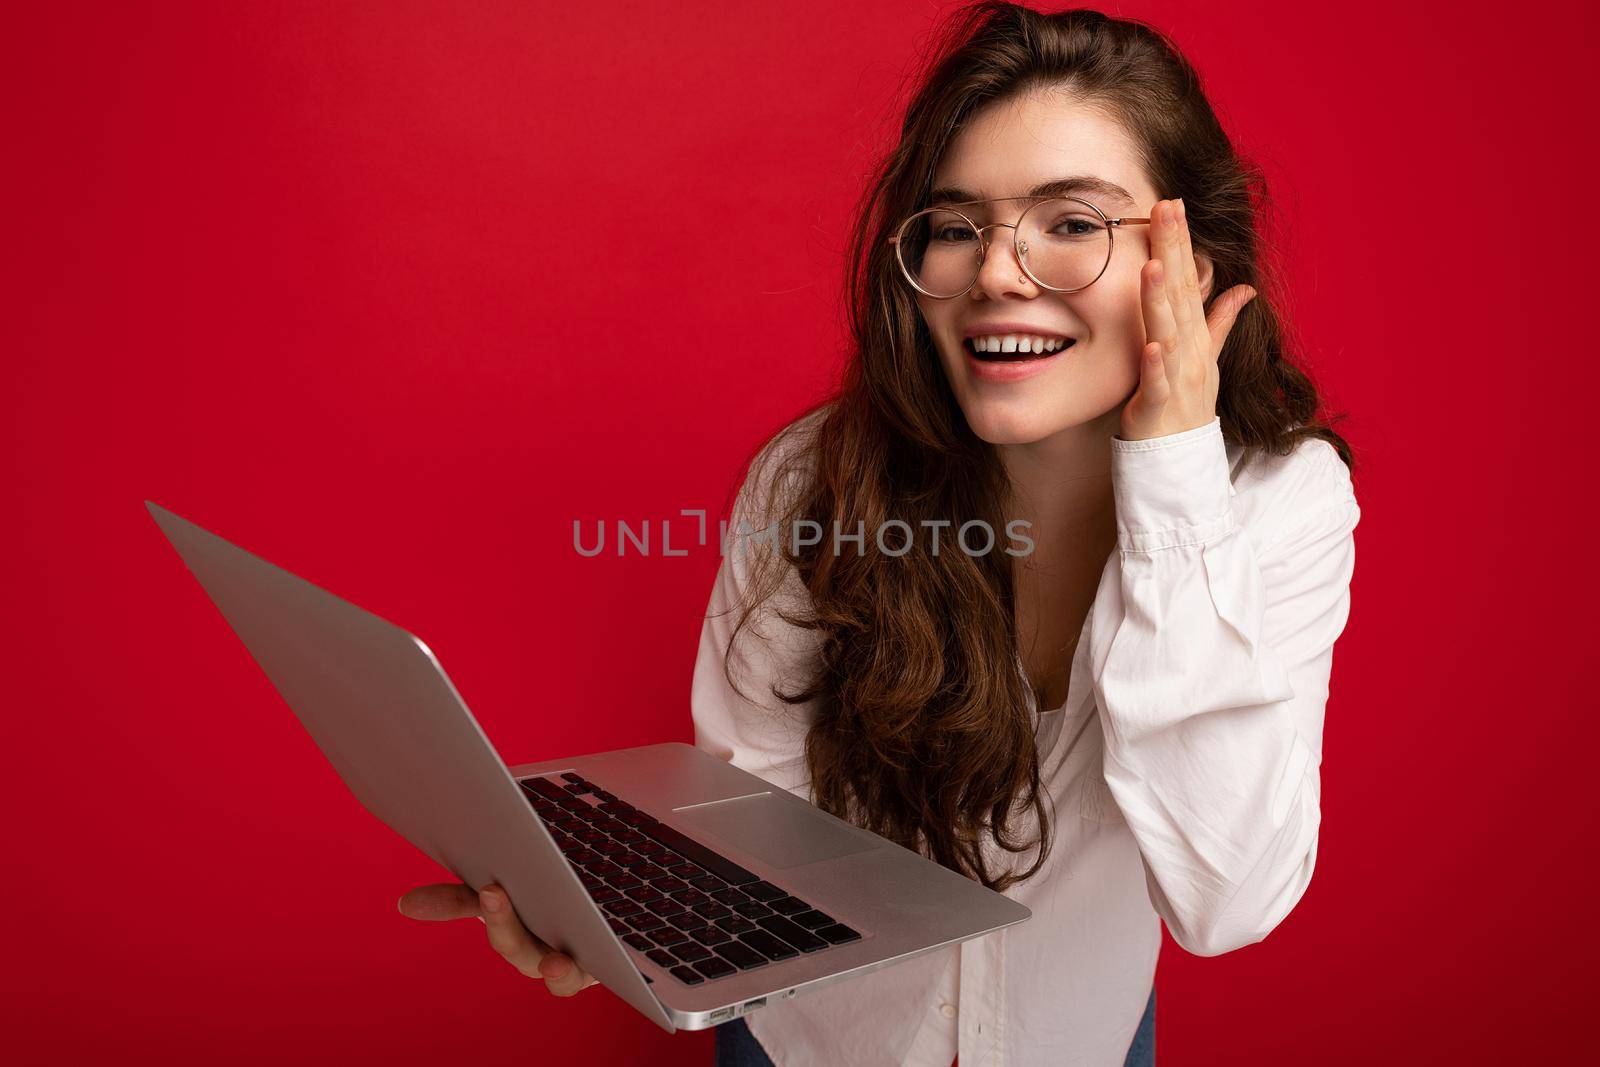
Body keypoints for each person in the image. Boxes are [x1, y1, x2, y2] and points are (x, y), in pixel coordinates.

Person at [397, 4, 1361, 1065]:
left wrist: (1171, 475)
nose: (998, 272)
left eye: (1072, 223)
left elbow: (1227, 901)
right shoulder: (812, 479)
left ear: (1193, 260)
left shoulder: (1277, 500)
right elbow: (753, 809)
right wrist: (632, 925)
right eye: (956, 227)